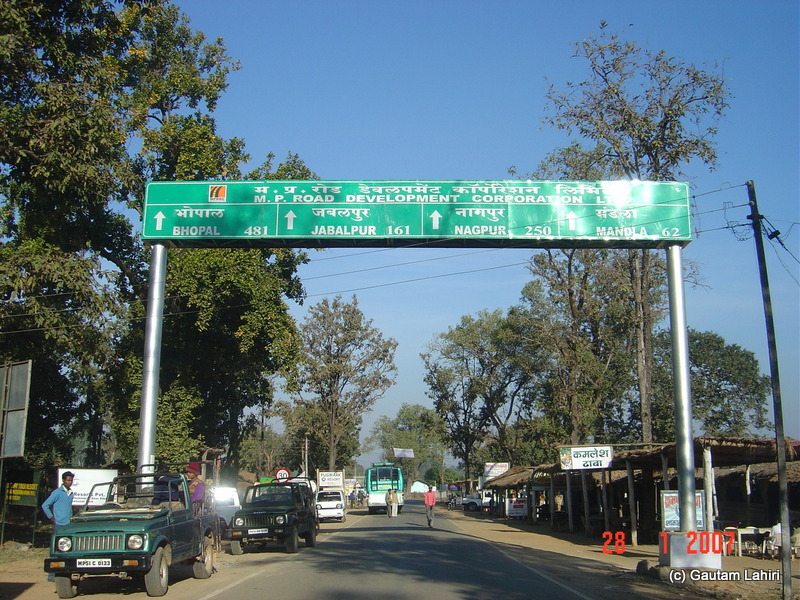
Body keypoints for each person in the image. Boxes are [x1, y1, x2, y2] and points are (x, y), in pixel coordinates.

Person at [42, 471, 75, 580]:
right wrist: (52, 518)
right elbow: (45, 505)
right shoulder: (57, 492)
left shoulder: (71, 493)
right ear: (63, 480)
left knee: (67, 548)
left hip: (68, 524)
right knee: (56, 548)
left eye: (71, 480)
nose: (70, 482)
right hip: (59, 524)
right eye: (68, 480)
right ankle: (52, 575)